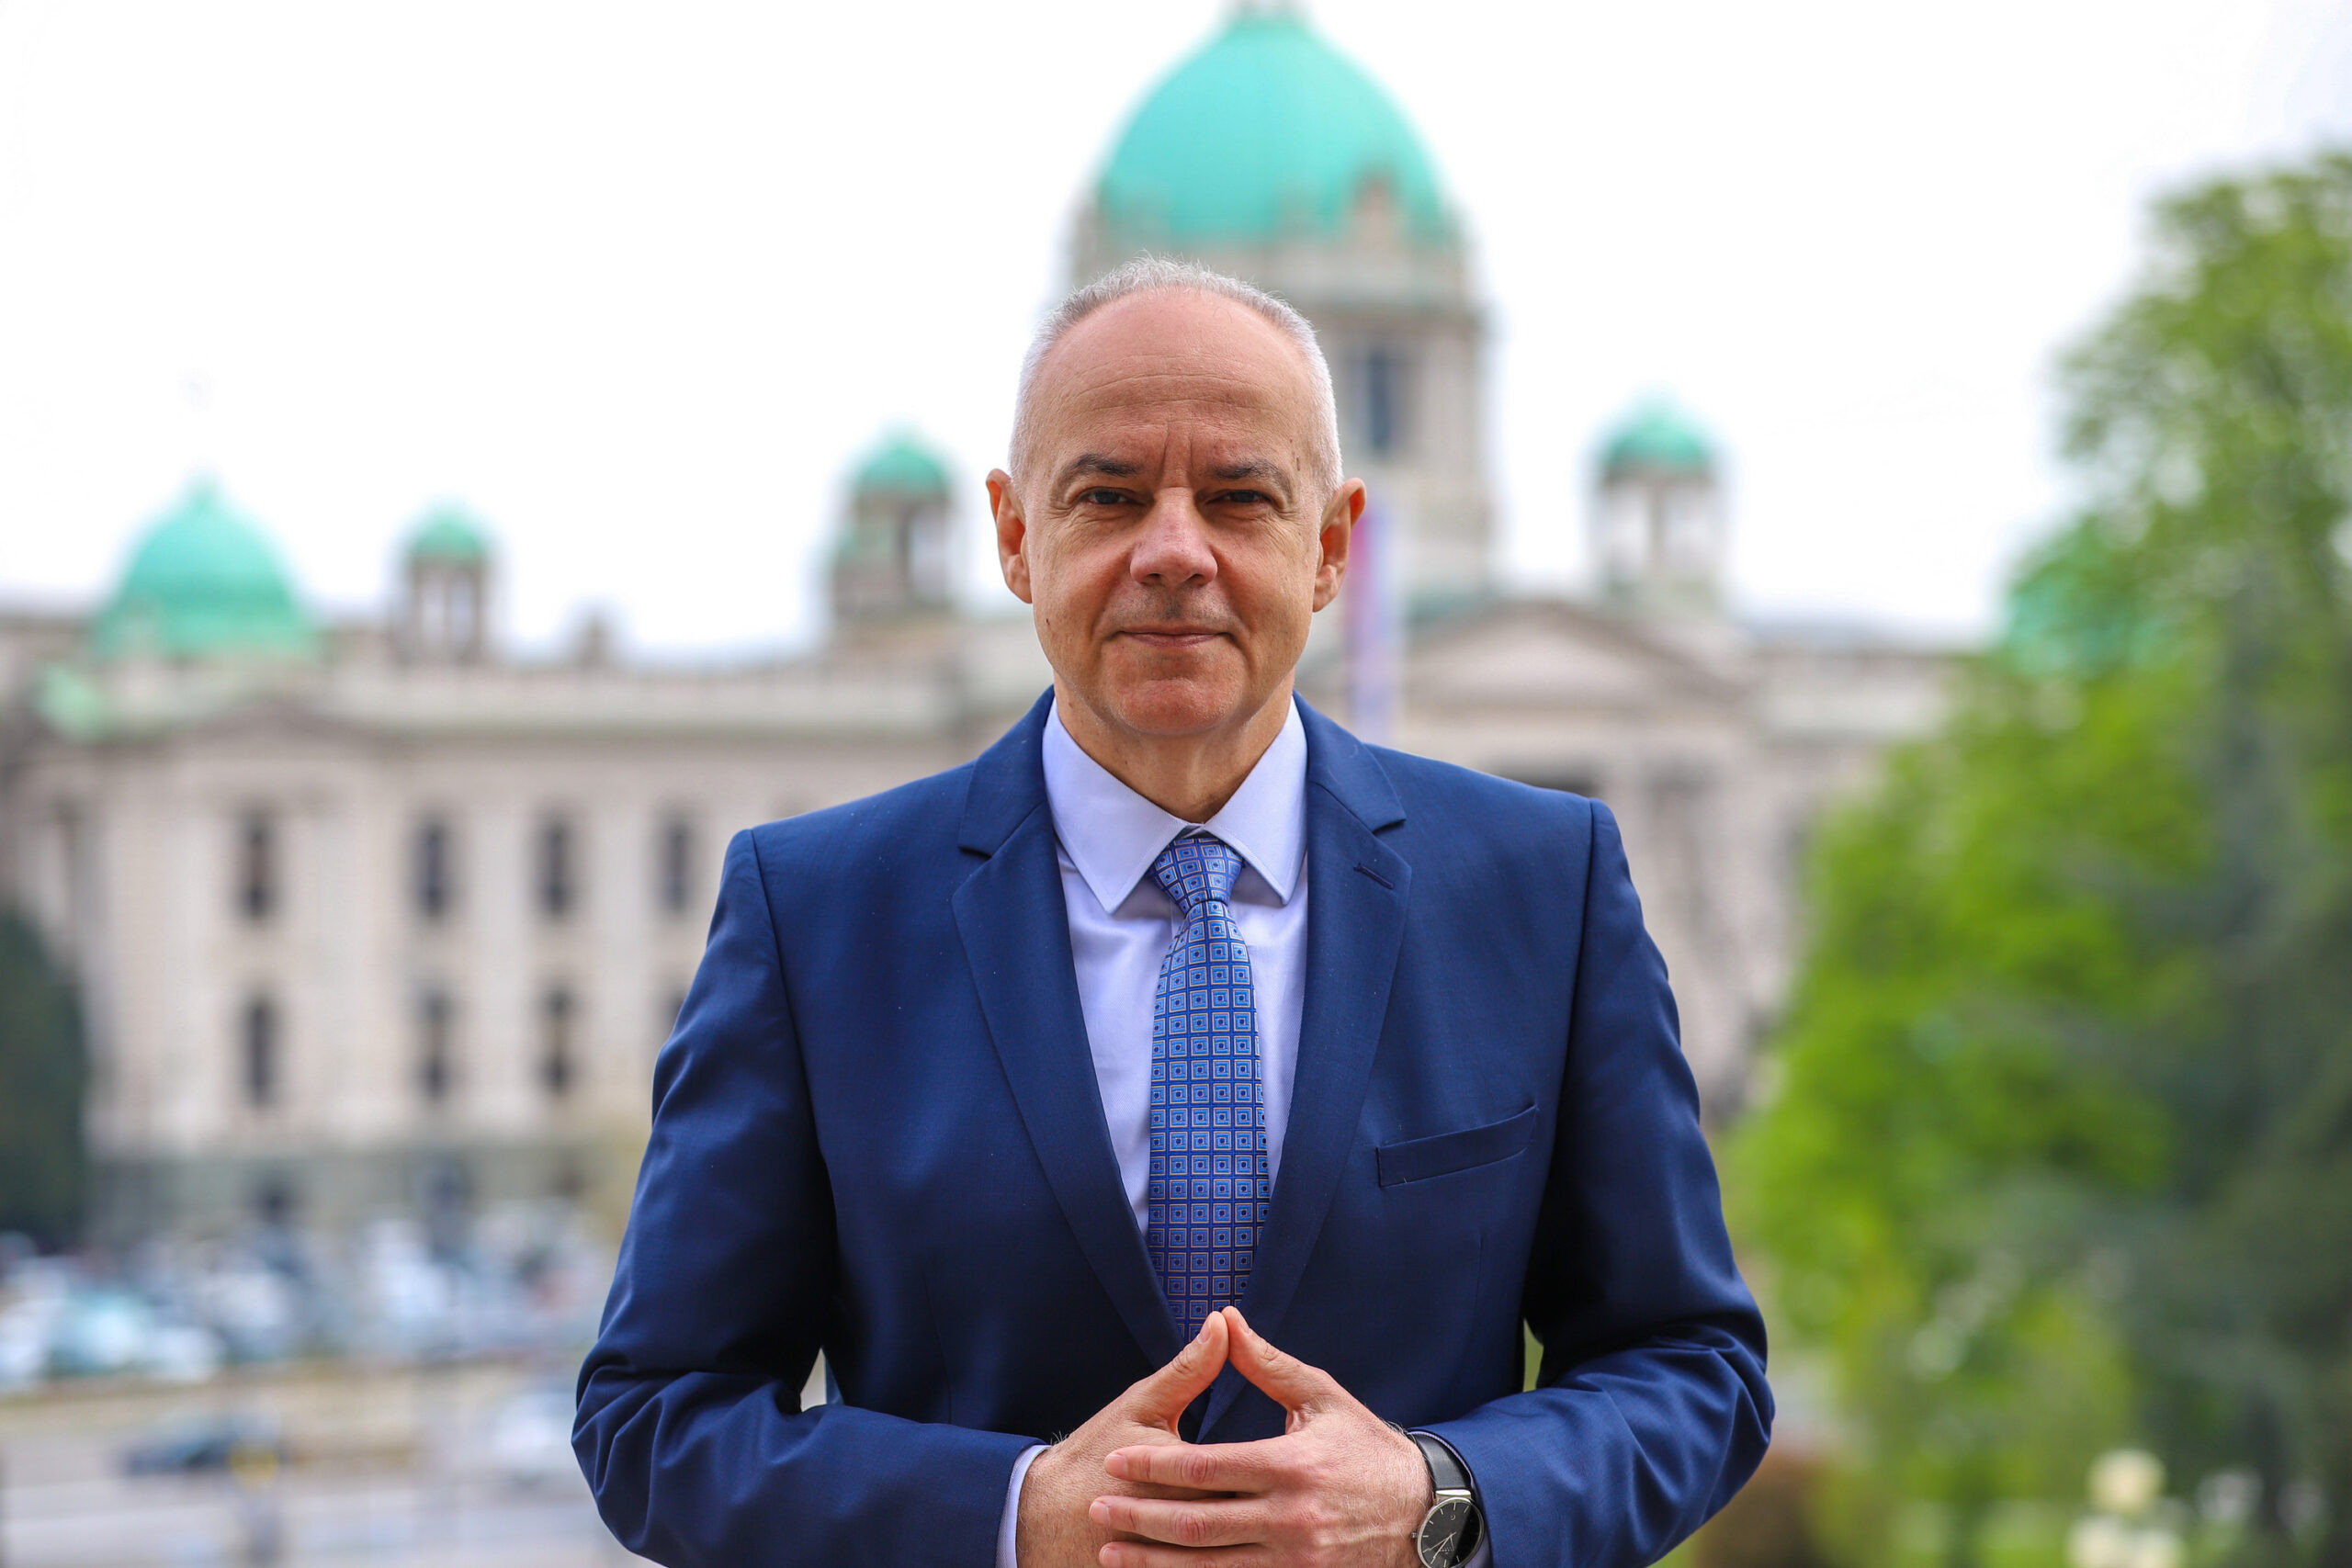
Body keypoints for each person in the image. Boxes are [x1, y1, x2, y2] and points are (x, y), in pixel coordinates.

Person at [573, 257, 1771, 1568]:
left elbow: (1691, 1368)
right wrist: (1013, 1517)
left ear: (1331, 547)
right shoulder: (813, 916)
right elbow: (654, 1421)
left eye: (1241, 498)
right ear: (1015, 536)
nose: (1175, 554)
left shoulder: (1543, 886)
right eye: (1109, 496)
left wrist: (1439, 1499)